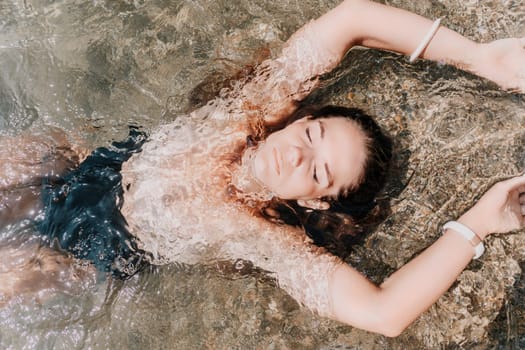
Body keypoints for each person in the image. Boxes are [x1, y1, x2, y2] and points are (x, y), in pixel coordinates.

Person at [1, 0, 525, 337]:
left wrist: (479, 220)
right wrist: (481, 59)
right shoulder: (249, 108)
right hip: (96, 167)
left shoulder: (259, 237)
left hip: (89, 248)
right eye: (313, 134)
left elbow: (384, 314)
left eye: (318, 174)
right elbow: (350, 20)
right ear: (303, 117)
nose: (297, 154)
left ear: (314, 202)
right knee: (34, 150)